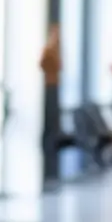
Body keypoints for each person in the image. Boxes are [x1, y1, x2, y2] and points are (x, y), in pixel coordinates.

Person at [40, 23, 63, 162]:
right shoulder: (48, 49)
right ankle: (47, 151)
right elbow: (42, 65)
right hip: (49, 86)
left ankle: (52, 151)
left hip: (55, 86)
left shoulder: (56, 50)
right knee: (49, 120)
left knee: (54, 120)